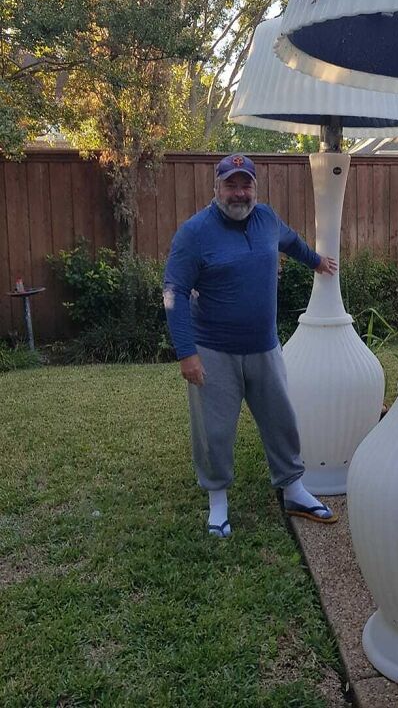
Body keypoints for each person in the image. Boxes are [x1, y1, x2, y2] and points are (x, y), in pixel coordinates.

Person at [163, 153, 338, 537]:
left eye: (246, 185)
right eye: (231, 184)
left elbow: (291, 242)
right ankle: (218, 503)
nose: (239, 193)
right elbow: (173, 291)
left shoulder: (267, 220)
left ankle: (294, 489)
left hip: (265, 347)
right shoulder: (194, 233)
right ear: (216, 188)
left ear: (255, 188)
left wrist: (316, 262)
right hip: (212, 350)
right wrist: (186, 352)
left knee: (282, 421)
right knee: (214, 431)